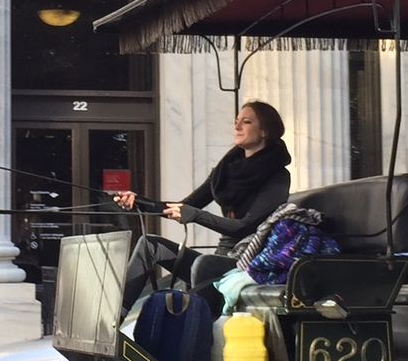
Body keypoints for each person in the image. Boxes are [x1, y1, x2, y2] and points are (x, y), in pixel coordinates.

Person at [113, 100, 292, 297]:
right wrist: (139, 202)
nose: (237, 126)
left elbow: (245, 227)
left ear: (265, 131)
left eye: (246, 122)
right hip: (221, 258)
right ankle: (113, 322)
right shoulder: (225, 171)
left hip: (247, 262)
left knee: (203, 264)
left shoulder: (278, 176)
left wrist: (196, 215)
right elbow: (185, 206)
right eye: (236, 121)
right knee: (150, 245)